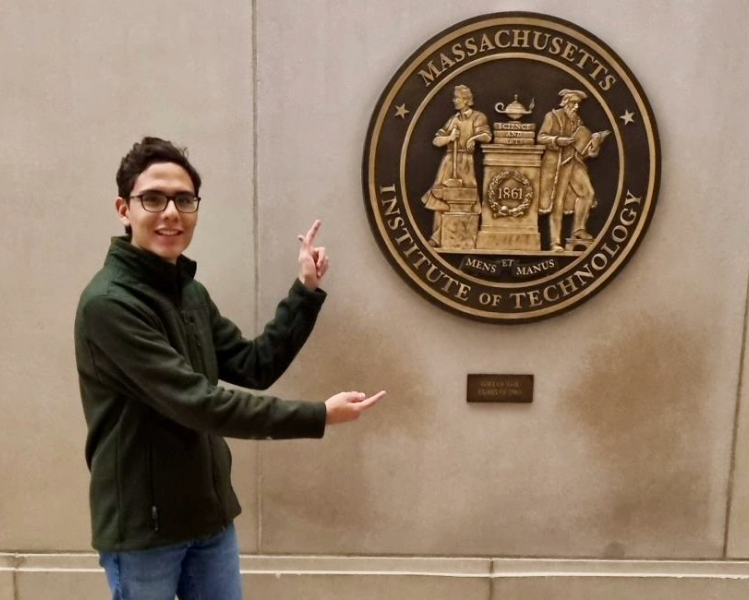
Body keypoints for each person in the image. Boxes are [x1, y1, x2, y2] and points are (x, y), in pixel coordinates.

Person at [74, 137, 385, 600]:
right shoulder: (109, 305)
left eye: (184, 199)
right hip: (144, 531)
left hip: (209, 518)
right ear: (124, 208)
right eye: (153, 198)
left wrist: (305, 292)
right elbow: (199, 404)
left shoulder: (187, 291)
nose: (171, 213)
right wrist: (318, 415)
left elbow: (252, 365)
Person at [536, 89, 609, 250]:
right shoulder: (552, 116)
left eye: (577, 104)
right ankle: (555, 242)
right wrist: (557, 140)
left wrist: (593, 144)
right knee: (557, 203)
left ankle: (578, 229)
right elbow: (541, 137)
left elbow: (582, 145)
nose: (576, 107)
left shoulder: (577, 121)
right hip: (557, 164)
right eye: (573, 103)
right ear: (565, 103)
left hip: (574, 162)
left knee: (587, 193)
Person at [420, 84, 492, 246]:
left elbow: (487, 136)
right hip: (449, 162)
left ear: (466, 100)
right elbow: (436, 141)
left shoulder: (478, 117)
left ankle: (467, 237)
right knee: (440, 197)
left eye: (456, 98)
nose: (454, 101)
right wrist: (450, 138)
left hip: (465, 163)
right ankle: (436, 238)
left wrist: (473, 138)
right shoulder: (453, 120)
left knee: (467, 198)